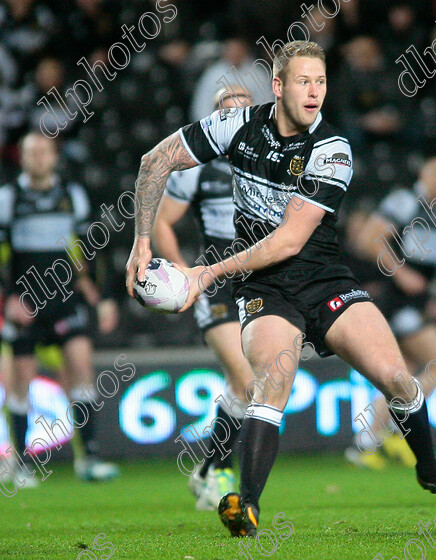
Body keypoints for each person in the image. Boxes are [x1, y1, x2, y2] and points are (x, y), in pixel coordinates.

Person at [125, 40, 436, 538]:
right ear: (278, 86)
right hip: (265, 289)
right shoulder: (236, 124)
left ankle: (432, 472)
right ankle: (247, 506)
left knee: (397, 379)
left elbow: (289, 240)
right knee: (271, 381)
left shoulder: (332, 148)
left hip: (324, 280)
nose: (315, 91)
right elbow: (154, 162)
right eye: (303, 81)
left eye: (320, 82)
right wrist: (141, 242)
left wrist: (205, 274)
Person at [151, 85, 254, 511]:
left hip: (260, 282)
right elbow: (161, 225)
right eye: (225, 112)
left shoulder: (273, 161)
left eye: (242, 111)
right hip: (216, 284)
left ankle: (208, 468)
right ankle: (217, 474)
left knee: (243, 385)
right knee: (250, 381)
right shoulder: (197, 167)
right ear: (214, 119)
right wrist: (187, 277)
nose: (234, 118)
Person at [0, 132, 119, 485]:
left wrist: (103, 295)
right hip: (25, 301)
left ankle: (91, 457)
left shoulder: (71, 195)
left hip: (65, 298)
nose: (37, 158)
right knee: (21, 379)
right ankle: (21, 463)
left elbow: (89, 250)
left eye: (43, 152)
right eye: (30, 152)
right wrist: (8, 299)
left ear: (54, 156)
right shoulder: (8, 198)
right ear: (20, 158)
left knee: (81, 366)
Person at [344, 156, 436, 470]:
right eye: (435, 171)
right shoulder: (404, 201)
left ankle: (366, 443)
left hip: (419, 301)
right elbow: (368, 239)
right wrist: (400, 273)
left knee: (401, 377)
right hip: (394, 298)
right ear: (423, 173)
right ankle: (395, 428)